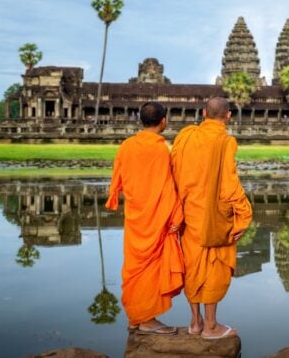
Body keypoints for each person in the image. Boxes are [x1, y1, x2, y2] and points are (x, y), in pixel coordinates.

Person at [171, 97, 253, 339]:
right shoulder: (225, 141)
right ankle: (210, 325)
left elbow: (174, 171)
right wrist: (244, 214)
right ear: (228, 116)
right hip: (213, 216)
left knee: (192, 265)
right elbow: (229, 185)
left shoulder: (185, 136)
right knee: (212, 266)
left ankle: (194, 322)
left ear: (204, 112)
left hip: (187, 213)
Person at [106, 102, 184, 335]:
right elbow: (166, 186)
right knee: (150, 267)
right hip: (156, 217)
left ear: (141, 120)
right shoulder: (160, 149)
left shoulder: (127, 145)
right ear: (163, 121)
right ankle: (146, 319)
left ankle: (136, 317)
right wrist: (176, 216)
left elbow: (117, 178)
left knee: (135, 266)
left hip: (136, 215)